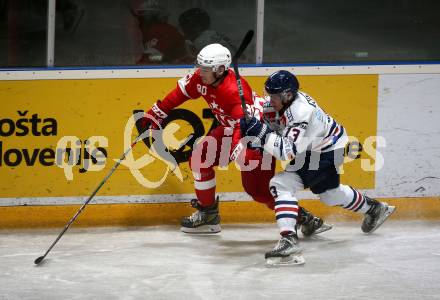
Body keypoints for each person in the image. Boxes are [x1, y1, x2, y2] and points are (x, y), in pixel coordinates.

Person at [140, 44, 331, 236]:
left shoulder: (234, 92)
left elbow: (244, 126)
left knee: (260, 193)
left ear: (220, 70)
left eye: (205, 69)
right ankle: (208, 214)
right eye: (200, 67)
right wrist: (157, 113)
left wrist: (239, 147)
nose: (200, 72)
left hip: (255, 138)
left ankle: (305, 218)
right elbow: (180, 93)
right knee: (199, 158)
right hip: (232, 130)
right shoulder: (201, 78)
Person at [240, 70, 396, 265]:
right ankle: (375, 208)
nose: (270, 99)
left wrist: (261, 133)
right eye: (269, 94)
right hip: (323, 147)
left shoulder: (300, 112)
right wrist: (255, 130)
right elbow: (274, 127)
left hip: (325, 151)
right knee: (330, 195)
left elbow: (286, 152)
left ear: (287, 95)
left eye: (274, 96)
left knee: (280, 184)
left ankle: (289, 239)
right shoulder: (284, 102)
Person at [131, 0, 187, 64]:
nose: (139, 18)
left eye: (142, 15)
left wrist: (139, 60)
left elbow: (159, 57)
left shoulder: (163, 30)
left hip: (170, 69)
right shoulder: (143, 31)